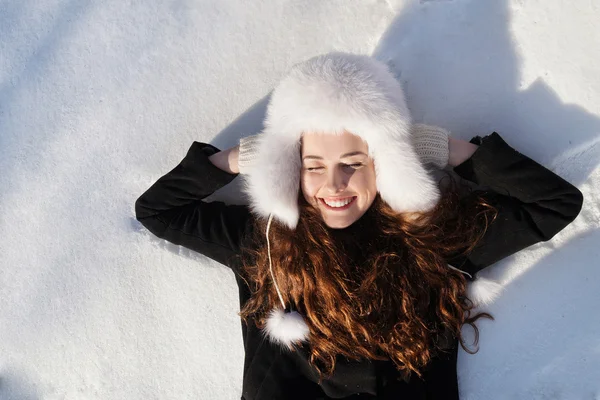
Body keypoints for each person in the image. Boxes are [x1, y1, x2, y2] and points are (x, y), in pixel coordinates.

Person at [135, 53, 584, 399]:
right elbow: (158, 211)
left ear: (384, 165)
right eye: (313, 166)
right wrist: (247, 157)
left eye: (353, 163)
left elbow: (555, 203)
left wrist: (438, 148)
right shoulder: (265, 244)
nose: (334, 183)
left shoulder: (432, 243)